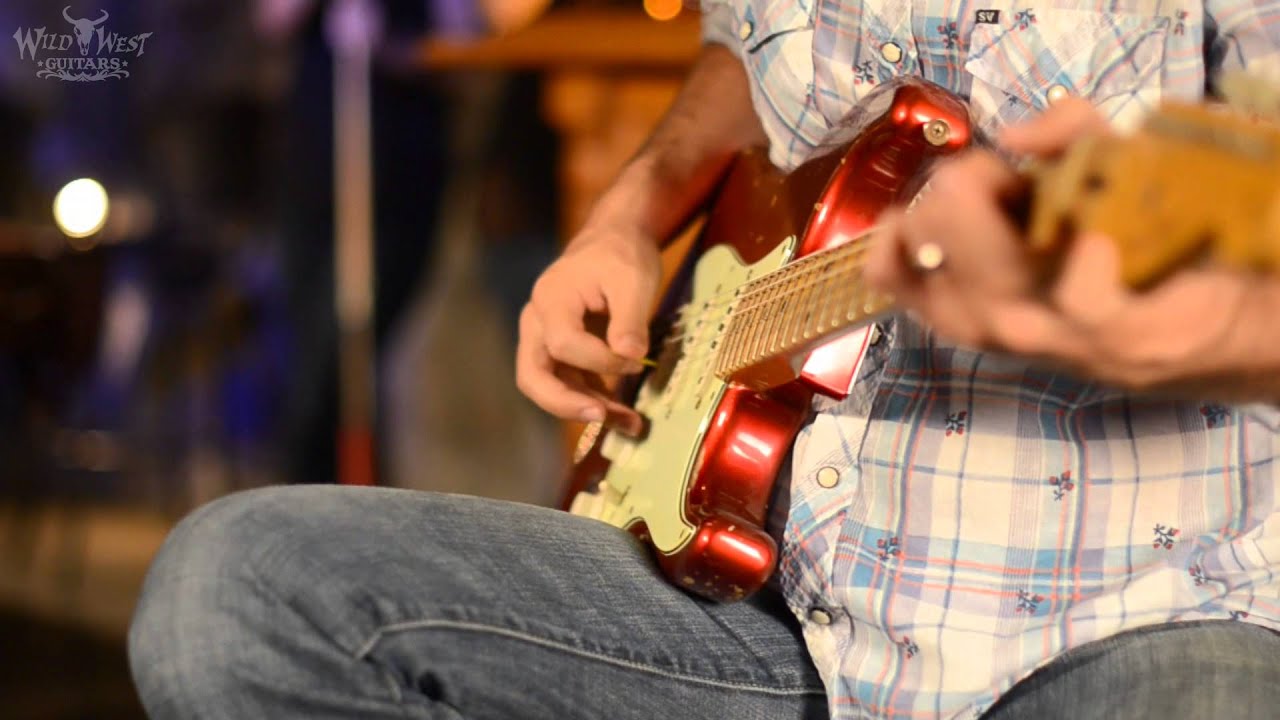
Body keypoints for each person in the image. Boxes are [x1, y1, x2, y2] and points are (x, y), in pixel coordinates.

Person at [128, 2, 1280, 718]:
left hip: (1142, 619)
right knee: (232, 592)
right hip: (762, 603)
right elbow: (746, 43)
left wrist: (1205, 335)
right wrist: (635, 208)